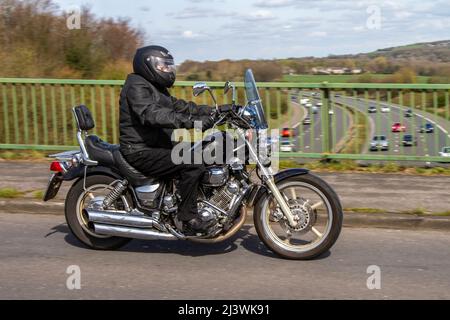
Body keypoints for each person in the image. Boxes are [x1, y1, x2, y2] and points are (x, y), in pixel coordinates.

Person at [119, 45, 217, 233]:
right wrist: (191, 122)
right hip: (141, 149)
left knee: (203, 150)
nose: (168, 70)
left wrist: (216, 110)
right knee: (192, 161)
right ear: (149, 64)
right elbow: (151, 114)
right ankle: (188, 218)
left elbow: (181, 107)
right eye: (163, 66)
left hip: (158, 144)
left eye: (168, 66)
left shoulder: (156, 88)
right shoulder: (136, 85)